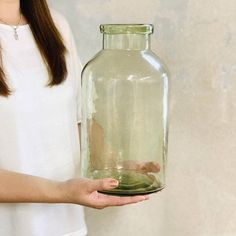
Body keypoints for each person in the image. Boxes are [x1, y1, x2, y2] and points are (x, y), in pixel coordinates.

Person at [0, 0, 154, 235]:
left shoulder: (56, 25)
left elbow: (76, 120)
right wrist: (61, 191)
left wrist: (112, 166)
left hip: (66, 227)